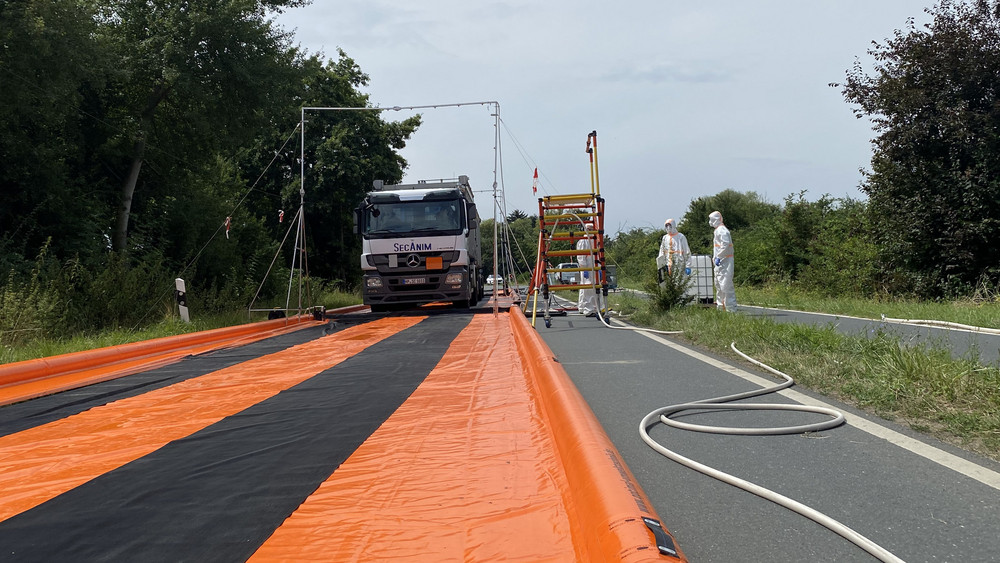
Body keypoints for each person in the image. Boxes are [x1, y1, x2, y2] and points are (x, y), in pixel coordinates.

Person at [709, 210, 737, 312]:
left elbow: (725, 245)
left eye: (711, 220)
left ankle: (730, 309)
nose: (710, 222)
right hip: (720, 262)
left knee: (726, 285)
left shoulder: (722, 231)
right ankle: (721, 308)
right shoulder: (717, 231)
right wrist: (716, 258)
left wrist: (719, 257)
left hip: (725, 261)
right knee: (719, 285)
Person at [576, 222, 598, 317]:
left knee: (586, 287)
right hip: (587, 267)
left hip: (594, 267)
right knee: (587, 287)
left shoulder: (595, 240)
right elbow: (581, 256)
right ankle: (588, 309)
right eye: (589, 229)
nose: (590, 230)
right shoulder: (583, 241)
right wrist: (584, 268)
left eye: (592, 228)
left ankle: (582, 307)